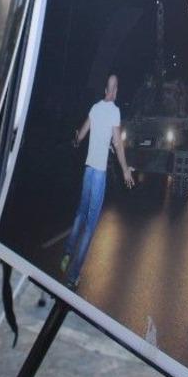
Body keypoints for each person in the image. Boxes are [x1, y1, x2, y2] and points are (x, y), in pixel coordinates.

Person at [61, 74, 135, 290]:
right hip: (99, 174)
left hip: (88, 170)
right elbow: (118, 145)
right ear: (114, 90)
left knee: (79, 213)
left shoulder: (95, 108)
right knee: (90, 225)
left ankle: (67, 251)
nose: (113, 91)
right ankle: (74, 275)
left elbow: (80, 136)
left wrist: (75, 139)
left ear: (105, 90)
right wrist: (125, 171)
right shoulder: (114, 111)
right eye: (115, 88)